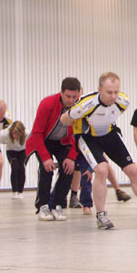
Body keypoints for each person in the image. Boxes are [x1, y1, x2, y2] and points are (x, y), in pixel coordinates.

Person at [59, 72, 137, 229]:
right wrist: (74, 118)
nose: (113, 96)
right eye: (109, 92)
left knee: (133, 170)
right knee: (102, 170)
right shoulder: (86, 104)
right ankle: (101, 216)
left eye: (116, 92)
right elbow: (64, 119)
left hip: (109, 134)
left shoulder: (123, 102)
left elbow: (109, 115)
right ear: (99, 90)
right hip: (88, 136)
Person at [26, 77, 80, 221]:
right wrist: (45, 158)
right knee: (46, 169)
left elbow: (79, 134)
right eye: (68, 96)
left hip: (64, 142)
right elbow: (37, 132)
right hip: (43, 141)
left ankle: (58, 205)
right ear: (61, 92)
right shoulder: (47, 103)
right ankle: (43, 206)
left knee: (68, 169)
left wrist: (72, 157)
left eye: (75, 97)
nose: (71, 100)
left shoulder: (80, 107)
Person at [0, 120, 27, 199]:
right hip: (11, 151)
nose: (15, 136)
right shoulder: (6, 134)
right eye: (14, 133)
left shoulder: (27, 133)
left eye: (18, 134)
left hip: (23, 151)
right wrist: (9, 142)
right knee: (14, 167)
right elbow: (1, 141)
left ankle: (20, 191)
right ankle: (15, 191)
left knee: (21, 167)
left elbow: (32, 141)